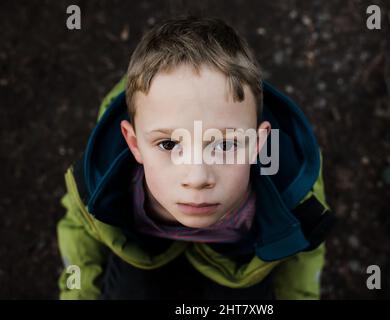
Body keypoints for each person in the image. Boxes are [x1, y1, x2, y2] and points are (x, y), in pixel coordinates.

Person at [57, 15, 335, 300]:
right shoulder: (99, 181)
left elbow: (302, 255)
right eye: (168, 144)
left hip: (236, 264)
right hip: (144, 256)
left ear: (258, 143)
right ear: (134, 143)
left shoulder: (295, 190)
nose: (198, 178)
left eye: (225, 145)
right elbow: (80, 230)